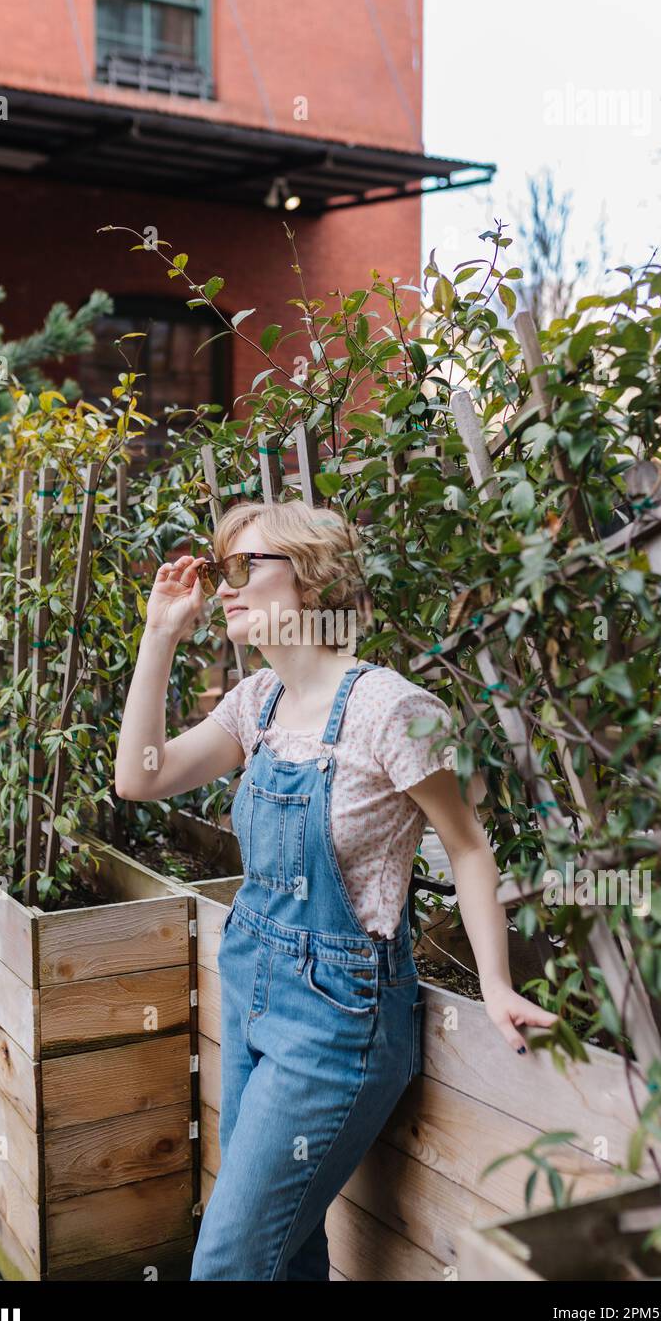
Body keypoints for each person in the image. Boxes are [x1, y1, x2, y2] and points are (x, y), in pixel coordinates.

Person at [115, 498, 558, 1281]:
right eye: (223, 570)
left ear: (314, 581)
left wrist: (494, 984)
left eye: (249, 567)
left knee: (227, 1260)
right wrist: (159, 636)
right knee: (287, 1252)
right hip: (251, 984)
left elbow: (467, 846)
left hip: (337, 1019)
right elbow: (138, 779)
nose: (225, 587)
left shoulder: (390, 708)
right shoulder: (258, 704)